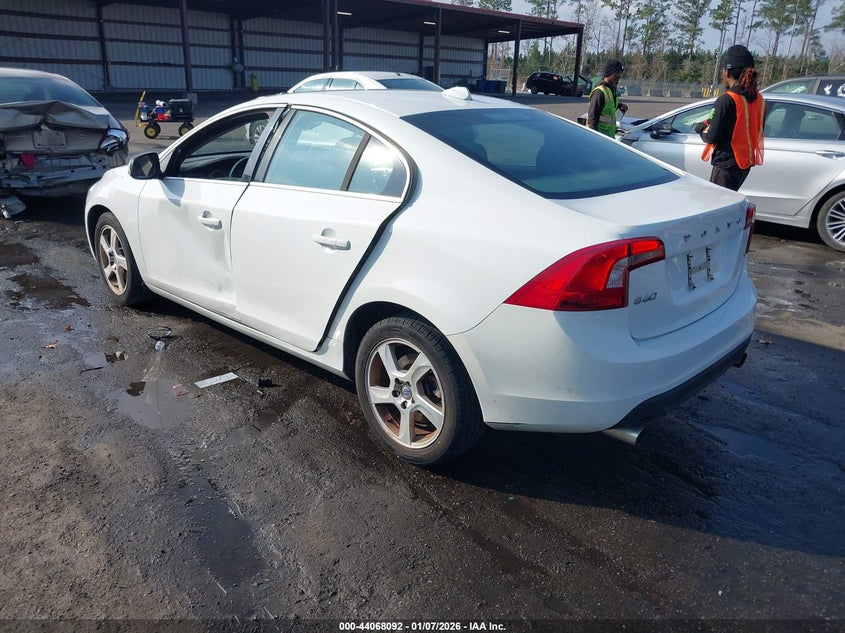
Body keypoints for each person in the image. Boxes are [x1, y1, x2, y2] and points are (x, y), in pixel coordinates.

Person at [694, 44, 764, 191]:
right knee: (728, 200)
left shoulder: (726, 100)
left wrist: (700, 128)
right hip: (744, 163)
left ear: (727, 72)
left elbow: (712, 136)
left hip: (726, 164)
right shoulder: (758, 98)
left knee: (716, 205)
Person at [587, 59, 628, 138]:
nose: (618, 76)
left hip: (609, 137)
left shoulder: (610, 90)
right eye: (616, 73)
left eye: (620, 73)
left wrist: (620, 105)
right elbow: (592, 120)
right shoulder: (599, 92)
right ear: (608, 73)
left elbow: (609, 105)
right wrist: (593, 139)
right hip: (600, 139)